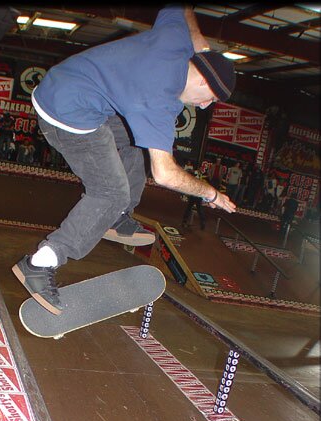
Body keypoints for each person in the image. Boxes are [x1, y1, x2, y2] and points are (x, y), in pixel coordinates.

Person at [12, 6, 236, 314]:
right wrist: (210, 193)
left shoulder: (177, 41)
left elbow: (180, 9)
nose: (205, 106)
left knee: (134, 140)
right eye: (210, 98)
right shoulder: (157, 101)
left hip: (69, 82)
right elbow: (165, 174)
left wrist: (201, 43)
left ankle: (117, 216)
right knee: (110, 192)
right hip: (65, 115)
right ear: (203, 81)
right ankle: (41, 262)